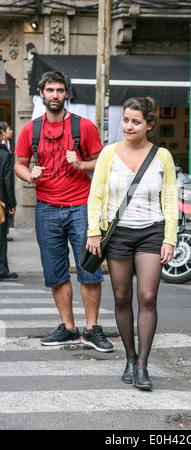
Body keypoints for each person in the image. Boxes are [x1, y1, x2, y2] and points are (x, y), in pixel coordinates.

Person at [14, 70, 113, 352]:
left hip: (81, 207)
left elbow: (103, 161)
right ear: (41, 94)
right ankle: (69, 329)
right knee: (56, 273)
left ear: (66, 94)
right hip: (45, 209)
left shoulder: (84, 127)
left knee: (89, 270)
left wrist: (81, 164)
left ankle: (93, 329)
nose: (55, 95)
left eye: (59, 90)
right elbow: (20, 163)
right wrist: (28, 174)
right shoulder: (30, 129)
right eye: (50, 90)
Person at [86, 97, 178, 390]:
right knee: (122, 297)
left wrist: (170, 238)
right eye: (125, 120)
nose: (128, 126)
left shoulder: (162, 156)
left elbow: (170, 201)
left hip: (152, 232)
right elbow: (96, 195)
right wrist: (93, 232)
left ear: (149, 125)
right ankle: (129, 357)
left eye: (136, 121)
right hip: (118, 234)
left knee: (147, 297)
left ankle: (142, 366)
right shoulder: (108, 154)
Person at [0, 122, 17, 280]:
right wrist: (12, 204)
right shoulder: (4, 155)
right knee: (1, 237)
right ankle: (2, 269)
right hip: (1, 204)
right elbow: (8, 182)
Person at [1, 122, 14, 241]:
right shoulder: (3, 151)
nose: (11, 132)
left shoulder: (9, 145)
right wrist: (12, 202)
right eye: (9, 129)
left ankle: (6, 232)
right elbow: (7, 179)